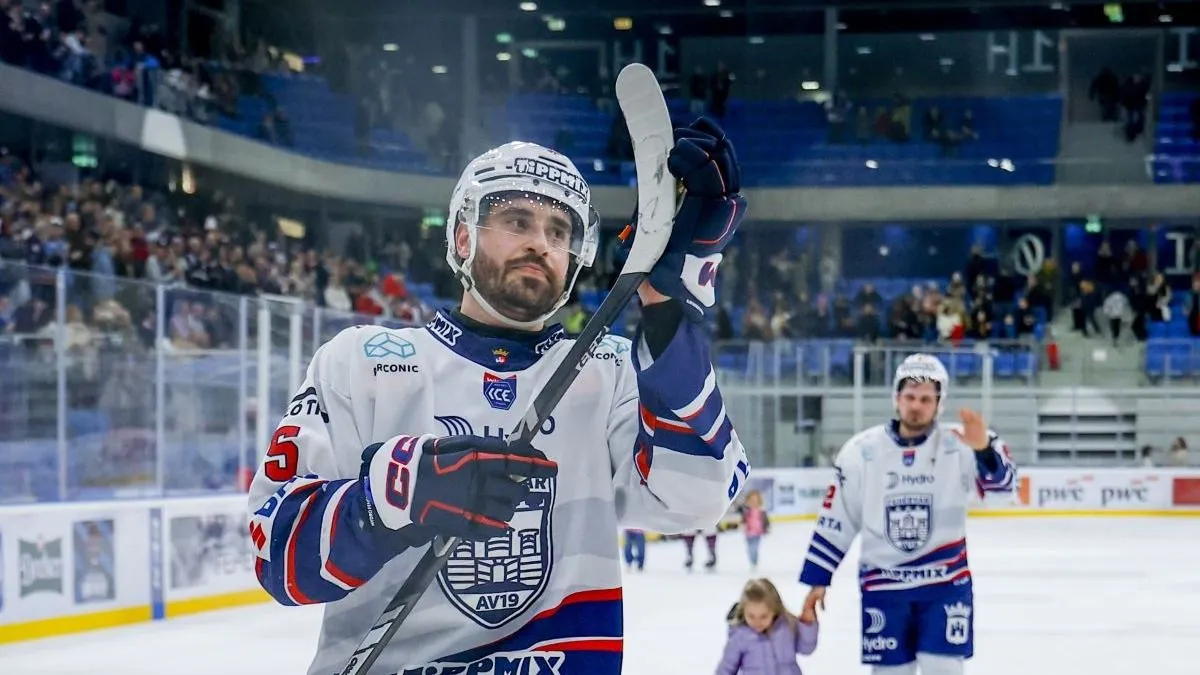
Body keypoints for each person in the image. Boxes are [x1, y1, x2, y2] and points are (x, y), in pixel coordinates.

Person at [247, 117, 750, 675]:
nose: (540, 242)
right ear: (463, 236)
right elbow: (276, 555)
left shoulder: (611, 371)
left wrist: (669, 311)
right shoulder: (363, 363)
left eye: (559, 231)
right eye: (516, 220)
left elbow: (697, 497)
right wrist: (387, 501)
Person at [798, 353, 1016, 675]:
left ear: (939, 403)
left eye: (925, 399)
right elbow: (837, 516)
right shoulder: (861, 452)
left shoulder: (963, 444)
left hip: (945, 585)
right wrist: (819, 578)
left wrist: (983, 450)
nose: (916, 405)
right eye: (910, 397)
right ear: (896, 398)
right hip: (884, 587)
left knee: (944, 669)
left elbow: (1004, 493)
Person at [715, 578, 819, 675]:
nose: (757, 622)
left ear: (774, 610)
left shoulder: (786, 627)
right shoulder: (740, 637)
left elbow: (806, 649)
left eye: (763, 616)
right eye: (751, 616)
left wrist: (807, 624)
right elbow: (726, 667)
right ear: (743, 611)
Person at [739, 489, 770, 571]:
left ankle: (754, 562)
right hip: (748, 533)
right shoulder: (746, 511)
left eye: (755, 500)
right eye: (751, 500)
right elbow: (743, 520)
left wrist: (766, 527)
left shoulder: (761, 510)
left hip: (757, 533)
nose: (753, 502)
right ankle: (752, 562)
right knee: (750, 549)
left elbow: (765, 520)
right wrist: (742, 525)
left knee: (754, 548)